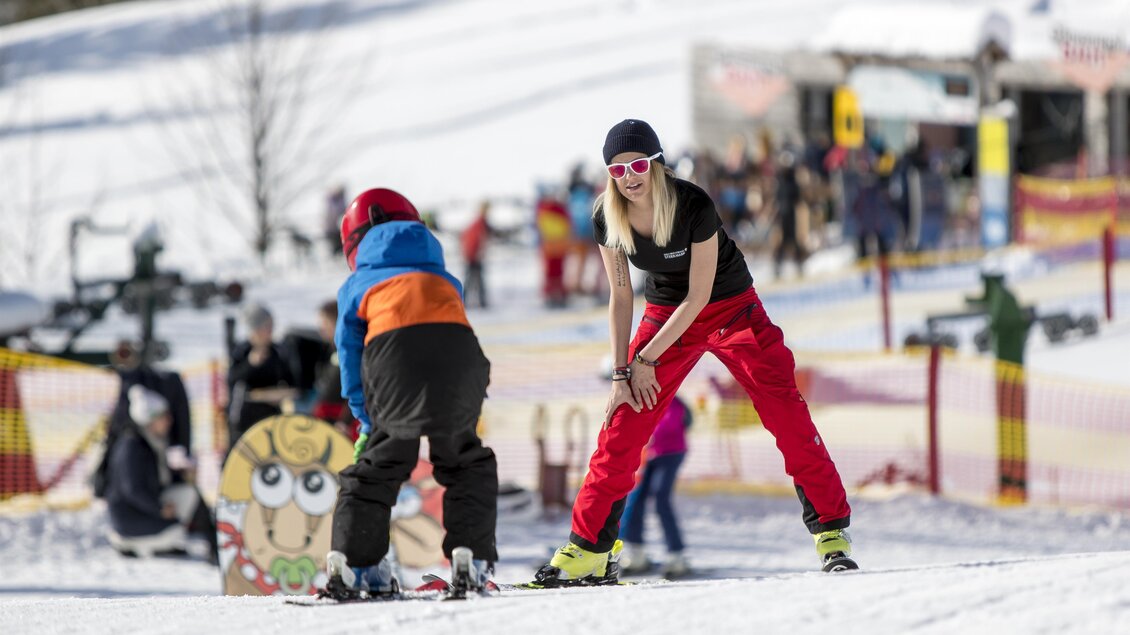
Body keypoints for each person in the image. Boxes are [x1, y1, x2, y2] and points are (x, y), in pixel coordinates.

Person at [535, 119, 855, 587]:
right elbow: (621, 297)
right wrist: (622, 374)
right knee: (623, 420)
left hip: (732, 309)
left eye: (639, 164)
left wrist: (645, 359)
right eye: (618, 169)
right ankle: (590, 549)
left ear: (657, 164)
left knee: (787, 415)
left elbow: (701, 295)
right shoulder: (608, 216)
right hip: (666, 315)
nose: (631, 176)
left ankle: (831, 534)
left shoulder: (692, 204)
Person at [324, 187, 497, 599]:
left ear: (354, 241)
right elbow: (455, 339)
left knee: (381, 463)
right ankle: (469, 556)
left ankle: (357, 564)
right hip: (461, 360)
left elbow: (350, 357)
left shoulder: (359, 283)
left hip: (393, 357)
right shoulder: (443, 277)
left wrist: (367, 418)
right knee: (464, 460)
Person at [103, 385, 218, 563]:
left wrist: (181, 476)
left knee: (187, 493)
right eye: (164, 416)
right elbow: (132, 489)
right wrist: (159, 509)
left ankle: (208, 543)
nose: (169, 421)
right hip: (128, 520)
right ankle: (136, 543)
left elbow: (153, 479)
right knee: (176, 527)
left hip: (136, 513)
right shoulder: (132, 446)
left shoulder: (148, 442)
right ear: (151, 419)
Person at [619, 394, 692, 579]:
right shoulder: (641, 394)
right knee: (635, 499)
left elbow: (672, 421)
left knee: (661, 499)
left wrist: (647, 433)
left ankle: (676, 554)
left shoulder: (671, 397)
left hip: (670, 453)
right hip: (649, 453)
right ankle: (636, 552)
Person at [225, 303, 296, 450]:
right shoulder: (242, 350)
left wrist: (281, 393)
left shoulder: (277, 351)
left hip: (272, 416)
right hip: (244, 418)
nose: (270, 331)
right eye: (266, 327)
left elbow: (290, 381)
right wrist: (250, 364)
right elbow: (232, 379)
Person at [309, 300, 356, 439]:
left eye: (325, 323)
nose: (322, 328)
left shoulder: (350, 352)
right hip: (327, 421)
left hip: (343, 425)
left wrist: (345, 421)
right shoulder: (331, 351)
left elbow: (357, 389)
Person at [460, 200, 492, 309]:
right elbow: (474, 240)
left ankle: (475, 301)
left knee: (475, 279)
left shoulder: (480, 222)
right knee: (472, 279)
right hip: (473, 256)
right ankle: (473, 301)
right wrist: (474, 254)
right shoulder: (479, 223)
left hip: (473, 255)